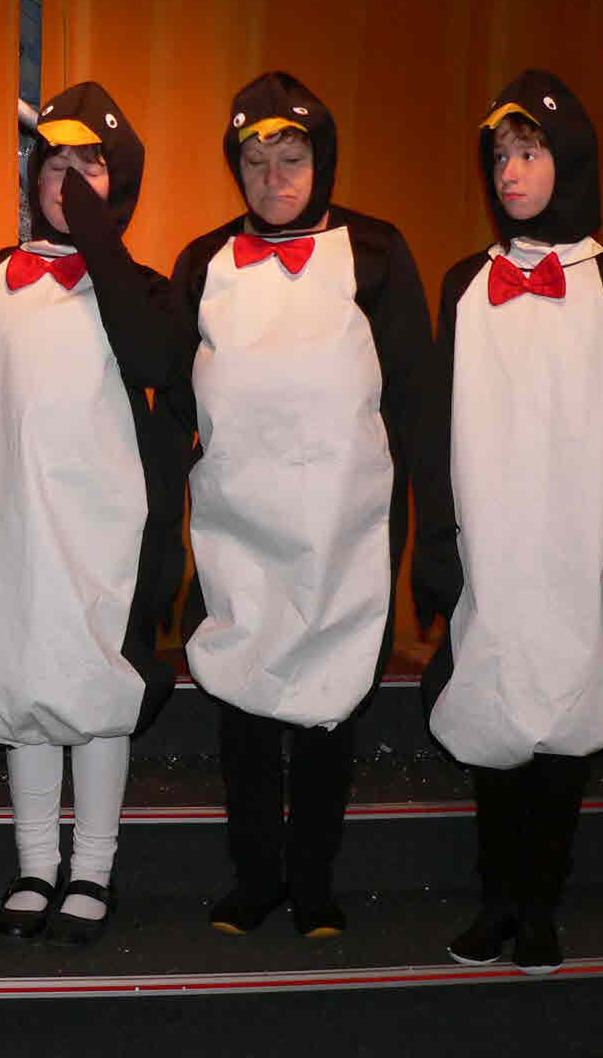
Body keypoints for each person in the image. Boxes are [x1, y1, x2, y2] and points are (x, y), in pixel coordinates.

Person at [168, 71, 433, 938]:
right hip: (239, 522)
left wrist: (424, 535)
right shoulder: (203, 261)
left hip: (342, 525)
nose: (274, 177)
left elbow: (413, 397)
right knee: (243, 708)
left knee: (328, 701)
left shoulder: (377, 251)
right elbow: (173, 398)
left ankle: (314, 882)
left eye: (292, 158)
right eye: (256, 161)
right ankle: (255, 879)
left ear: (323, 161)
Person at [413, 70, 603, 974]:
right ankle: (497, 902)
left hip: (576, 540)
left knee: (563, 714)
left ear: (571, 162)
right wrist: (438, 544)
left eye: (530, 154)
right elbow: (437, 425)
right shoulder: (464, 284)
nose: (510, 173)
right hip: (493, 537)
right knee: (496, 713)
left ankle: (542, 904)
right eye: (501, 157)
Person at [0, 82, 180, 946]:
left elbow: (152, 359)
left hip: (103, 527)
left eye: (90, 166)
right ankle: (36, 862)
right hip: (13, 523)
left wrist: (99, 240)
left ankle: (94, 868)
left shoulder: (142, 287)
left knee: (96, 687)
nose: (67, 181)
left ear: (121, 183)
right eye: (54, 163)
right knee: (24, 680)